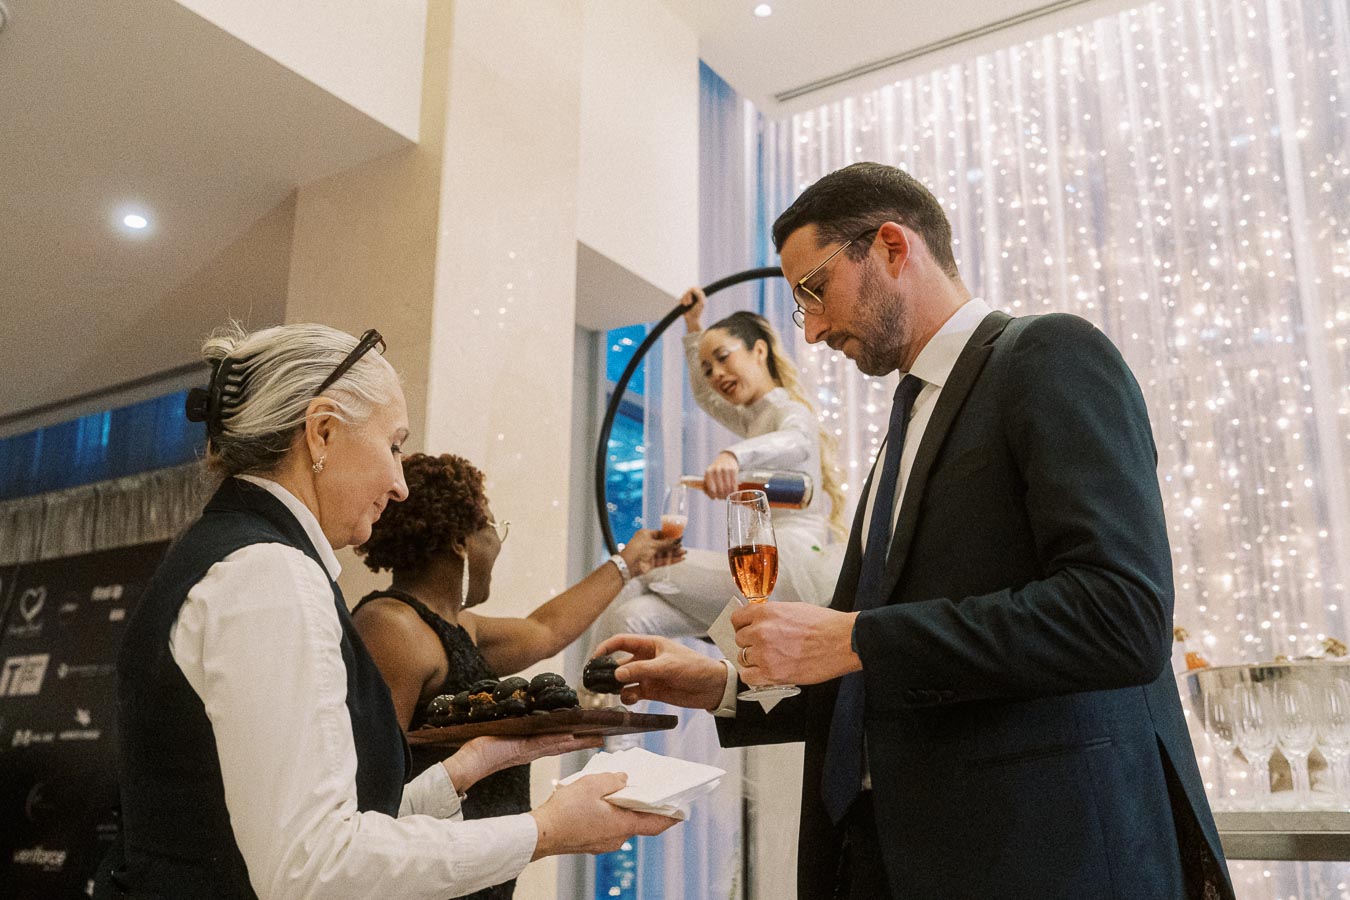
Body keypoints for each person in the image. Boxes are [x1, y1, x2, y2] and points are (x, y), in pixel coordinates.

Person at [596, 162, 1234, 899]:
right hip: (890, 858)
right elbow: (889, 669)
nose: (812, 329)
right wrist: (725, 685)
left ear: (893, 248)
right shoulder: (904, 428)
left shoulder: (1049, 355)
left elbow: (1120, 616)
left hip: (1038, 858)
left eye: (814, 290)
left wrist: (856, 637)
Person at [96, 323, 676, 900]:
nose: (400, 484)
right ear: (322, 432)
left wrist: (465, 768)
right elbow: (315, 867)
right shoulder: (270, 572)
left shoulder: (231, 553)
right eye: (394, 445)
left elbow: (315, 827)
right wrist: (544, 831)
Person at [349, 451, 682, 899]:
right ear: (460, 541)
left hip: (478, 872)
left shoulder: (457, 626)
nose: (497, 543)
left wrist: (628, 564)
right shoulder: (393, 628)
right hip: (428, 877)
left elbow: (545, 630)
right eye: (492, 526)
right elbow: (375, 793)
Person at [596, 296, 847, 640]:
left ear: (759, 351)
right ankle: (595, 678)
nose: (715, 374)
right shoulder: (753, 418)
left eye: (723, 357)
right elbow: (707, 398)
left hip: (785, 569)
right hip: (758, 572)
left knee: (645, 564)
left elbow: (797, 440)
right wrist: (693, 327)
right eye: (707, 369)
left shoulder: (790, 412)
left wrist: (733, 456)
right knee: (633, 617)